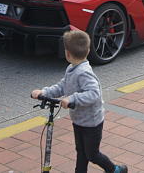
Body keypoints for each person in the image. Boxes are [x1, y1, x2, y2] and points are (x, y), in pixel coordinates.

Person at [31, 31, 128, 173]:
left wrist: (72, 99)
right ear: (88, 51)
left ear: (67, 53)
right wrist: (44, 92)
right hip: (79, 120)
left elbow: (94, 93)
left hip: (92, 123)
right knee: (81, 152)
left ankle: (115, 170)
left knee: (92, 154)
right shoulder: (71, 68)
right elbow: (62, 86)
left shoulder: (83, 72)